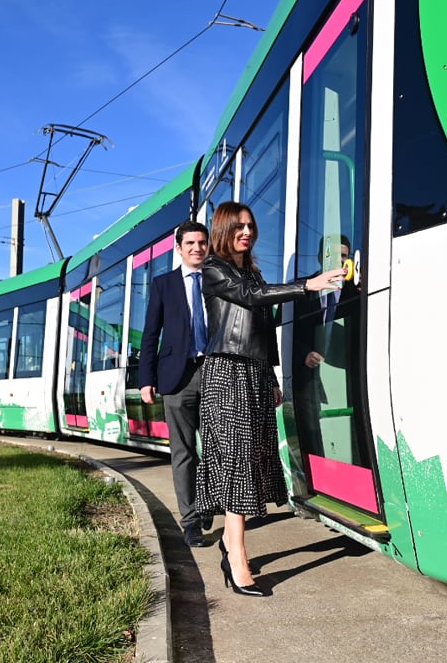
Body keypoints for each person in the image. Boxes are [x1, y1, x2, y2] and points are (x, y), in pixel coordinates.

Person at [196, 201, 346, 596]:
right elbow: (251, 296)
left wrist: (274, 375)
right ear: (223, 230)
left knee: (252, 459)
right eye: (238, 227)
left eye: (250, 226)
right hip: (227, 372)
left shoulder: (253, 272)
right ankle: (238, 557)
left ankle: (231, 546)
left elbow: (263, 322)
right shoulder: (214, 269)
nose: (246, 232)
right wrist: (309, 284)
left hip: (256, 372)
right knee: (238, 461)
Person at [139, 220, 212, 548]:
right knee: (183, 453)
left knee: (218, 447)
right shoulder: (163, 284)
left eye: (202, 242)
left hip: (214, 372)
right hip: (176, 377)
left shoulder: (217, 279)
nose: (197, 248)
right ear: (179, 248)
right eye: (191, 243)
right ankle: (191, 521)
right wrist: (146, 379)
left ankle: (208, 498)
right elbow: (150, 334)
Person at [291, 235, 361, 461]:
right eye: (336, 256)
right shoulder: (305, 288)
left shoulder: (358, 288)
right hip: (312, 373)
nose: (341, 261)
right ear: (321, 258)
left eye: (345, 256)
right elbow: (294, 329)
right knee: (314, 426)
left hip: (345, 370)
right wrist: (305, 353)